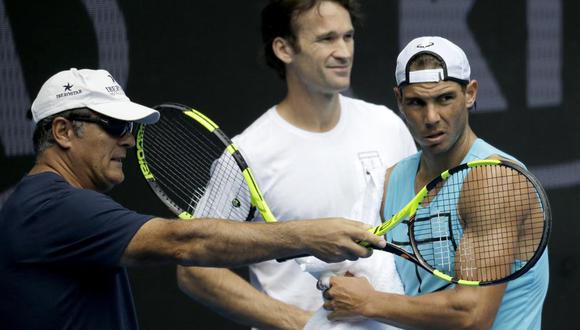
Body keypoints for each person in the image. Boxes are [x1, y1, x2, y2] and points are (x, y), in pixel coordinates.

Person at [0, 68, 388, 330]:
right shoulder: (49, 206)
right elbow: (183, 241)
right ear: (64, 131)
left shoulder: (46, 206)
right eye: (115, 125)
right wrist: (308, 236)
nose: (130, 140)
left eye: (130, 128)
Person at [177, 1, 416, 329]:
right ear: (284, 48)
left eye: (348, 37)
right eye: (326, 39)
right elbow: (194, 267)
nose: (344, 52)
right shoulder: (249, 153)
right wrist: (302, 324)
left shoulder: (388, 127)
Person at [322, 36, 550, 329]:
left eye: (445, 98)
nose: (431, 117)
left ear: (470, 93)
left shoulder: (497, 178)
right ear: (399, 101)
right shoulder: (388, 184)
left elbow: (473, 314)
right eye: (417, 102)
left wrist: (368, 302)